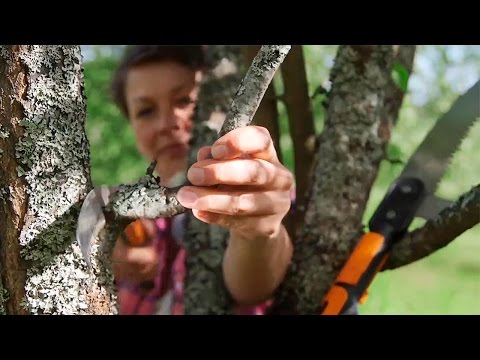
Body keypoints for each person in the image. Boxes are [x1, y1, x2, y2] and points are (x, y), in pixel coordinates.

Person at [109, 45, 294, 315]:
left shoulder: (256, 188)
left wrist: (258, 232)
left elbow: (253, 287)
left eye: (184, 100)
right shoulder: (132, 215)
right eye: (146, 110)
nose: (168, 122)